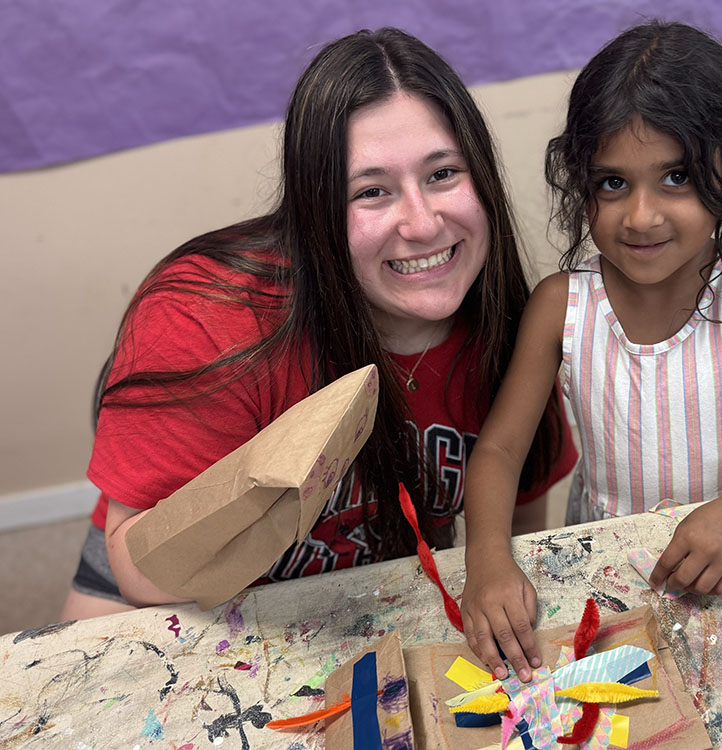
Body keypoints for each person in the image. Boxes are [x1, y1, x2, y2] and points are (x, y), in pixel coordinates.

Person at [60, 27, 576, 621]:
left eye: (442, 174)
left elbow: (521, 520)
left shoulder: (514, 325)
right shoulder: (204, 317)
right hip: (170, 584)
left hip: (369, 589)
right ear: (314, 209)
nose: (423, 223)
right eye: (371, 191)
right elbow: (137, 572)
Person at [460, 20, 722, 682]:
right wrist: (488, 558)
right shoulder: (561, 305)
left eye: (677, 176)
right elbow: (497, 452)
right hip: (606, 576)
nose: (641, 215)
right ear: (581, 182)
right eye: (612, 182)